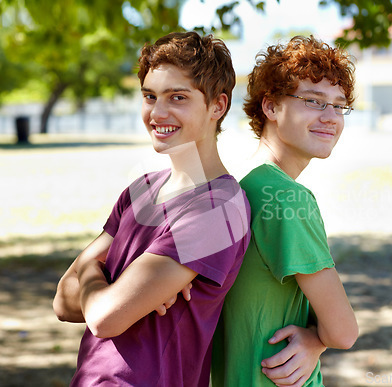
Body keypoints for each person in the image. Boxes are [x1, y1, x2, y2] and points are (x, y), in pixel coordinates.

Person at [52, 31, 251, 387]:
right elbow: (63, 302)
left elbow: (104, 318)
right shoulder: (140, 191)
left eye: (178, 97)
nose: (158, 113)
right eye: (150, 96)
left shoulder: (219, 209)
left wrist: (93, 272)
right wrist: (101, 282)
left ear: (217, 106)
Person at [211, 35, 359, 387]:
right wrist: (320, 339)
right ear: (271, 107)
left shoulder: (240, 185)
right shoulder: (287, 198)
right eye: (313, 101)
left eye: (339, 106)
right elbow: (344, 332)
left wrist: (314, 339)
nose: (331, 117)